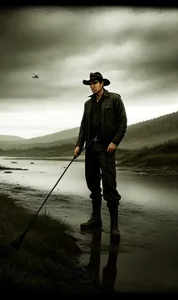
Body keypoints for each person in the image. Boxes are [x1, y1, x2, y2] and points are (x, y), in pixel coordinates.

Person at [74, 72, 127, 239]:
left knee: (109, 184)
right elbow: (83, 126)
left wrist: (114, 142)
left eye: (95, 82)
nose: (93, 85)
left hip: (107, 149)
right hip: (90, 149)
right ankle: (96, 220)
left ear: (102, 83)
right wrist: (78, 145)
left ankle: (114, 227)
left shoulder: (114, 99)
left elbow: (123, 122)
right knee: (92, 183)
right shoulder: (88, 104)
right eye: (90, 83)